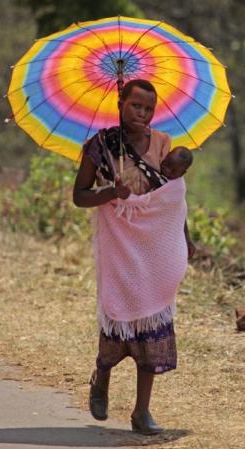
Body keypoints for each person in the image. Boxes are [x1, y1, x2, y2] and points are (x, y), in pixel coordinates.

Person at [73, 79, 195, 435]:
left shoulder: (161, 143)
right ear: (120, 102)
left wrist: (185, 238)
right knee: (119, 314)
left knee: (153, 322)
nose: (141, 113)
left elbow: (172, 196)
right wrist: (111, 191)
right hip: (121, 243)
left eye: (148, 108)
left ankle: (142, 412)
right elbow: (79, 196)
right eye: (135, 106)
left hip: (155, 244)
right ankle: (103, 376)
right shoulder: (100, 145)